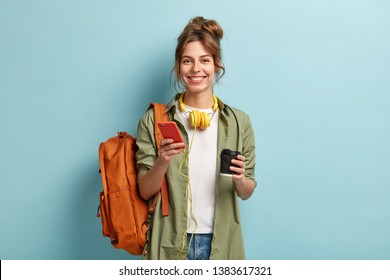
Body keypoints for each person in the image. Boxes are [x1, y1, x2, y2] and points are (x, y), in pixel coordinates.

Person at [135, 16, 256, 260]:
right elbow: (145, 191)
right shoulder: (155, 119)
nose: (196, 69)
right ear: (178, 66)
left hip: (221, 242)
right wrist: (163, 160)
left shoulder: (238, 121)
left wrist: (241, 178)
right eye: (187, 61)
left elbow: (246, 192)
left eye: (205, 60)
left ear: (216, 65)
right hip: (169, 240)